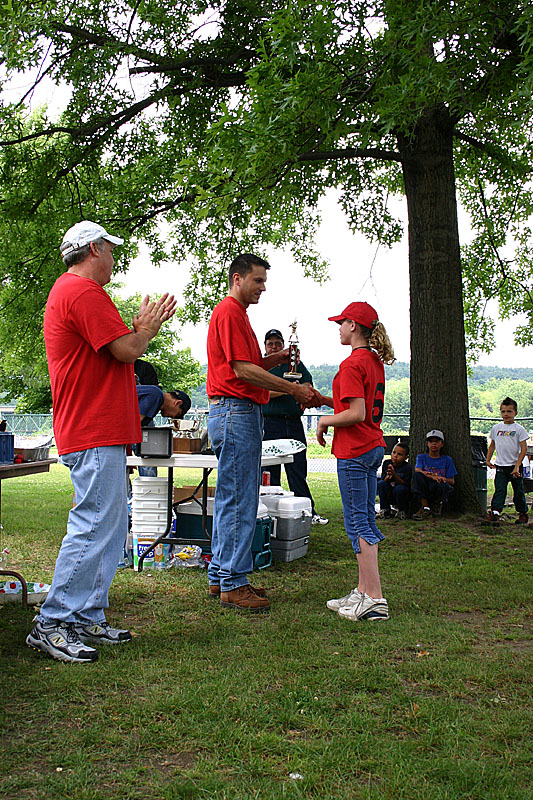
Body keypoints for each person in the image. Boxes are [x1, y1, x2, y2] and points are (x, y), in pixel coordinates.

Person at [26, 220, 176, 663]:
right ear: (94, 249)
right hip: (93, 429)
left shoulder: (70, 293)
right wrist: (147, 328)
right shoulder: (83, 292)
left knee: (109, 528)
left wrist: (135, 333)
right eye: (110, 250)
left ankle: (86, 613)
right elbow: (128, 350)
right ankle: (52, 621)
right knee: (94, 523)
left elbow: (115, 349)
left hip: (94, 428)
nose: (114, 258)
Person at [206, 253, 315, 612]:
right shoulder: (231, 313)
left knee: (229, 497)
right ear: (237, 279)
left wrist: (278, 357)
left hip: (230, 411)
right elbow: (242, 371)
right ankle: (234, 583)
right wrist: (292, 388)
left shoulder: (232, 314)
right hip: (236, 411)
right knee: (240, 499)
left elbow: (246, 364)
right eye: (258, 281)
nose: (263, 288)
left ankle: (221, 576)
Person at [315, 302, 394, 622]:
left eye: (342, 322)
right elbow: (356, 402)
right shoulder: (372, 360)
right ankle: (363, 591)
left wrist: (324, 422)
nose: (339, 327)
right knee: (363, 519)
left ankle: (374, 598)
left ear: (355, 326)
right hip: (372, 445)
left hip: (355, 451)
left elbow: (356, 413)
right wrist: (325, 401)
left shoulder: (351, 364)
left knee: (358, 523)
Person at [262, 328, 328, 525]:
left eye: (277, 343)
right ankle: (272, 515)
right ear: (265, 347)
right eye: (270, 343)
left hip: (293, 422)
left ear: (284, 346)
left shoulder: (295, 364)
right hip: (269, 423)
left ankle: (308, 512)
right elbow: (261, 392)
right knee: (269, 472)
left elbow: (308, 387)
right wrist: (288, 388)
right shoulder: (261, 368)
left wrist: (297, 388)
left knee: (297, 470)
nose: (274, 347)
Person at [485, 397, 529, 525]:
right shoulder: (496, 428)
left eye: (509, 411)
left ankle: (522, 514)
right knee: (500, 489)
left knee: (518, 491)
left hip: (515, 466)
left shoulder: (519, 429)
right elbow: (492, 445)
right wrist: (488, 459)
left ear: (515, 413)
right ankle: (495, 513)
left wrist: (517, 466)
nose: (506, 414)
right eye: (503, 411)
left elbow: (523, 448)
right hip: (500, 466)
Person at [412, 430, 457, 520]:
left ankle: (437, 506)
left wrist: (440, 478)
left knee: (444, 487)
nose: (433, 444)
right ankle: (425, 508)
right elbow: (417, 470)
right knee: (418, 476)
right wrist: (432, 476)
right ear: (427, 444)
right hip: (426, 485)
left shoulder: (447, 460)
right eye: (431, 441)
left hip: (439, 485)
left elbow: (452, 481)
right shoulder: (421, 457)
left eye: (437, 441)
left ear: (442, 444)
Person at [376, 441, 412, 520]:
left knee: (400, 489)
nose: (395, 456)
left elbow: (405, 483)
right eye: (394, 452)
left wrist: (395, 475)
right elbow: (383, 479)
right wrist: (388, 477)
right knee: (381, 483)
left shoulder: (407, 467)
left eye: (399, 454)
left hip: (400, 494)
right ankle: (385, 509)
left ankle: (401, 510)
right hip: (389, 491)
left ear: (406, 457)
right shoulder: (387, 463)